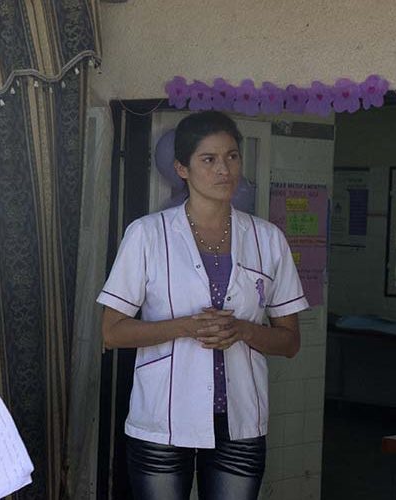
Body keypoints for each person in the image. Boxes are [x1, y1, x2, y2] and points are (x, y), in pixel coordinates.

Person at [97, 111, 308, 500]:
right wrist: (186, 327)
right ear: (182, 168)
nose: (224, 169)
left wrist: (244, 330)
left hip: (239, 421)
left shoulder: (267, 239)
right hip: (164, 418)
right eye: (208, 159)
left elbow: (290, 341)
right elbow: (112, 332)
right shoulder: (147, 234)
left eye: (232, 157)